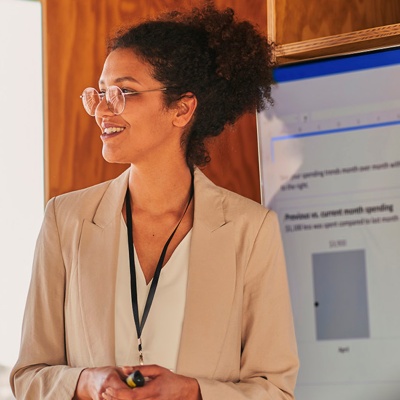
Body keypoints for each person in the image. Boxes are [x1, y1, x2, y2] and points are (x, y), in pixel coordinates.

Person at [10, 2, 299, 399]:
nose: (103, 110)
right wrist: (85, 382)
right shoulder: (66, 220)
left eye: (124, 92)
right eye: (101, 92)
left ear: (181, 108)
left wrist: (193, 392)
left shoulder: (251, 230)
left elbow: (275, 389)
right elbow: (28, 375)